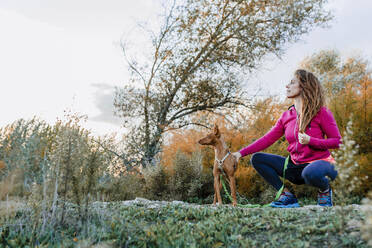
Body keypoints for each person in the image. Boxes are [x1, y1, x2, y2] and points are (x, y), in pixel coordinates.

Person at [232, 69, 342, 208]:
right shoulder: (286, 116)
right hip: (295, 167)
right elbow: (267, 139)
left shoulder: (322, 112)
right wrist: (239, 153)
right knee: (257, 158)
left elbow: (337, 142)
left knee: (310, 172)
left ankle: (325, 191)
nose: (287, 86)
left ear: (304, 86)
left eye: (292, 82)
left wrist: (311, 141)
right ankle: (287, 196)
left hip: (321, 164)